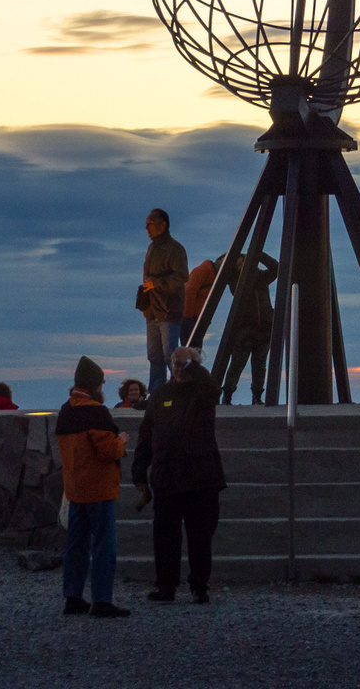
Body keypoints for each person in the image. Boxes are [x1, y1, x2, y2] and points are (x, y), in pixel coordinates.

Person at [133, 346, 225, 604]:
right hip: (167, 478)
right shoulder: (160, 395)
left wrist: (191, 364)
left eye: (185, 366)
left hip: (201, 479)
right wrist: (139, 472)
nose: (180, 370)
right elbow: (146, 436)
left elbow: (213, 389)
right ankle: (166, 587)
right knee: (165, 538)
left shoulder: (202, 393)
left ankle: (199, 586)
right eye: (177, 366)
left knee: (200, 537)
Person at [56, 356, 131, 618]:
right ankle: (101, 600)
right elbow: (107, 451)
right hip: (99, 490)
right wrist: (121, 440)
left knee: (76, 545)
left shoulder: (66, 411)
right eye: (101, 384)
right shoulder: (96, 412)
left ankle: (73, 597)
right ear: (94, 385)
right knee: (103, 545)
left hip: (75, 489)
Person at [139, 208, 189, 395]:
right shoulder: (152, 248)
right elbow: (147, 280)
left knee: (170, 356)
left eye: (150, 224)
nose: (146, 228)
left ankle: (181, 392)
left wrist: (157, 284)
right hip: (152, 311)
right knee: (154, 357)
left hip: (169, 310)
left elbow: (182, 276)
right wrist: (145, 304)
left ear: (163, 224)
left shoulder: (175, 249)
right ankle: (156, 396)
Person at [219, 251, 278, 406]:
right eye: (238, 264)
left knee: (260, 366)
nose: (242, 266)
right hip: (244, 330)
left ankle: (257, 397)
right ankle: (227, 396)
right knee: (237, 364)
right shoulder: (235, 282)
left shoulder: (262, 278)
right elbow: (220, 266)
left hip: (264, 328)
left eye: (244, 262)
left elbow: (276, 267)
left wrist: (258, 253)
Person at [181, 256, 218, 347]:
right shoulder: (203, 271)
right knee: (192, 348)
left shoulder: (211, 274)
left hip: (196, 317)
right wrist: (188, 316)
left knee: (193, 348)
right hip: (192, 317)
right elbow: (189, 291)